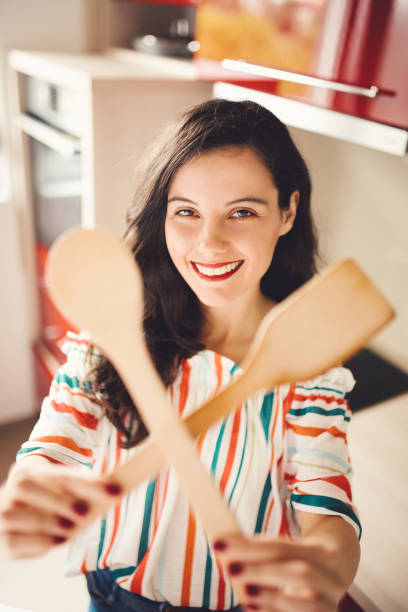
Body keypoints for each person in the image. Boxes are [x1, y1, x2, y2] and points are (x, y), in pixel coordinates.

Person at [0, 99, 361, 612]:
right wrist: (33, 486)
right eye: (186, 212)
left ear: (287, 212)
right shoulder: (115, 333)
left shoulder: (309, 370)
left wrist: (325, 565)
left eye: (242, 211)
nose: (209, 242)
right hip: (115, 595)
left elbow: (328, 506)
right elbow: (53, 445)